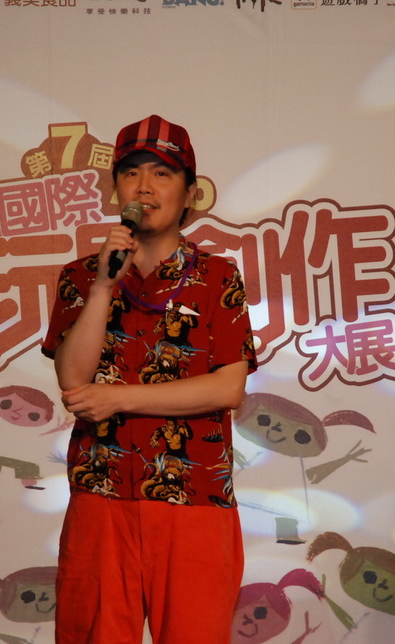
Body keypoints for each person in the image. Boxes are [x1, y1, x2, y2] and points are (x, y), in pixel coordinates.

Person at [41, 114, 257, 644]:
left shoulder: (217, 277)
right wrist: (102, 287)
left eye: (162, 174)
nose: (144, 187)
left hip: (194, 497)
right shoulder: (80, 277)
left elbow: (227, 388)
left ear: (190, 194)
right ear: (115, 188)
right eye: (131, 172)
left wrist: (119, 399)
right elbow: (73, 382)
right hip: (100, 493)